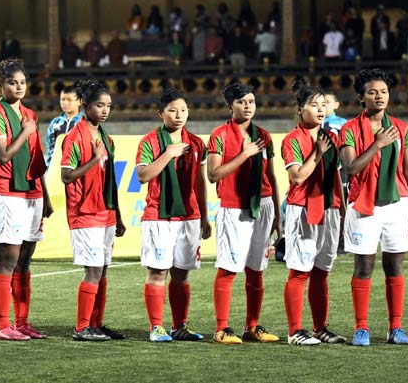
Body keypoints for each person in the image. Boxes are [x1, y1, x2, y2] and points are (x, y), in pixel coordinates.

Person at [339, 68, 408, 346]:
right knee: (364, 267)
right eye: (372, 92)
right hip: (364, 205)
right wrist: (377, 144)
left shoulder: (402, 128)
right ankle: (361, 328)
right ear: (361, 97)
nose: (379, 96)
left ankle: (395, 328)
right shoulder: (350, 129)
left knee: (395, 266)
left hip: (397, 204)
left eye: (383, 91)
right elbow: (350, 168)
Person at [0, 59, 52, 340]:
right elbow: (2, 156)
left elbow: (37, 159)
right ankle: (2, 326)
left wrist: (45, 196)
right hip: (7, 192)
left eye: (22, 82)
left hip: (32, 192)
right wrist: (25, 131)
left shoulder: (30, 114)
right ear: (1, 84)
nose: (19, 87)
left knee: (24, 260)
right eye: (12, 82)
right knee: (8, 259)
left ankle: (21, 323)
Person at [207, 82, 282, 345]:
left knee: (256, 269)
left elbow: (271, 176)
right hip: (234, 207)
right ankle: (221, 329)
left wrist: (278, 216)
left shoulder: (264, 135)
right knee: (229, 268)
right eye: (241, 102)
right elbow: (213, 174)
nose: (248, 106)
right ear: (230, 107)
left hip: (264, 205)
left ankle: (252, 327)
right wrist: (244, 154)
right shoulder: (219, 135)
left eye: (251, 101)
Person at [136, 88, 211, 343]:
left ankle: (179, 326)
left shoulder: (197, 143)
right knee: (158, 272)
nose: (179, 115)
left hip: (189, 217)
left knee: (181, 273)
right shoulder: (149, 142)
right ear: (161, 113)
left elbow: (200, 182)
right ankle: (156, 327)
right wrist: (169, 153)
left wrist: (204, 216)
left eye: (183, 110)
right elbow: (143, 176)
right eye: (172, 110)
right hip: (159, 215)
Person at [280, 81, 347, 346]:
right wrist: (317, 153)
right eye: (313, 105)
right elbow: (297, 177)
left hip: (330, 209)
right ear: (300, 109)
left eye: (323, 105)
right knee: (299, 271)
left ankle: (320, 328)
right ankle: (295, 331)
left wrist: (342, 210)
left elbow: (336, 176)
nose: (320, 110)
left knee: (321, 271)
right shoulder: (292, 140)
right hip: (304, 209)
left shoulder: (331, 137)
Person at [60, 81, 126, 342]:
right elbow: (67, 176)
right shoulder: (74, 138)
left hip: (105, 212)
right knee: (94, 271)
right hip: (85, 213)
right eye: (100, 105)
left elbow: (110, 180)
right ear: (85, 106)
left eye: (108, 105)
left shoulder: (106, 138)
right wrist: (94, 159)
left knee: (103, 270)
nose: (105, 110)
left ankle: (96, 324)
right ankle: (81, 327)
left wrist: (118, 214)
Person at [45, 84, 83, 167]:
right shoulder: (55, 123)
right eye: (62, 99)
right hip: (56, 168)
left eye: (69, 100)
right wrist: (49, 167)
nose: (65, 103)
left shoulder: (85, 122)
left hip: (78, 169)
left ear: (79, 101)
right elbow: (50, 148)